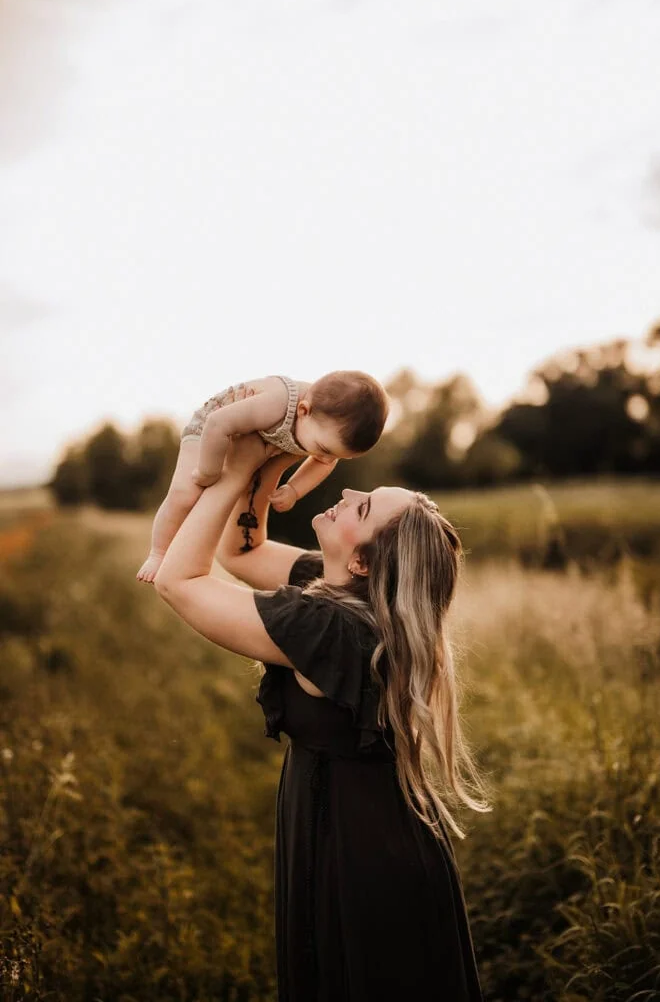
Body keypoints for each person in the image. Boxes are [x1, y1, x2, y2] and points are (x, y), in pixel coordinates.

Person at [154, 395, 489, 1001]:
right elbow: (242, 552)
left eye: (360, 506)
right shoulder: (335, 589)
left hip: (363, 855)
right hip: (353, 829)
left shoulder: (334, 628)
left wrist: (232, 470)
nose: (343, 496)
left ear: (363, 560)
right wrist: (270, 461)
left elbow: (180, 582)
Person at [137, 371, 389, 583]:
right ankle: (158, 552)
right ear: (303, 410)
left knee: (218, 492)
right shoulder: (279, 404)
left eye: (336, 455)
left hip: (245, 442)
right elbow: (217, 423)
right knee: (184, 494)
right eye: (324, 449)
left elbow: (323, 463)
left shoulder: (321, 430)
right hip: (209, 432)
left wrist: (293, 490)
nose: (324, 457)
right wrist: (209, 470)